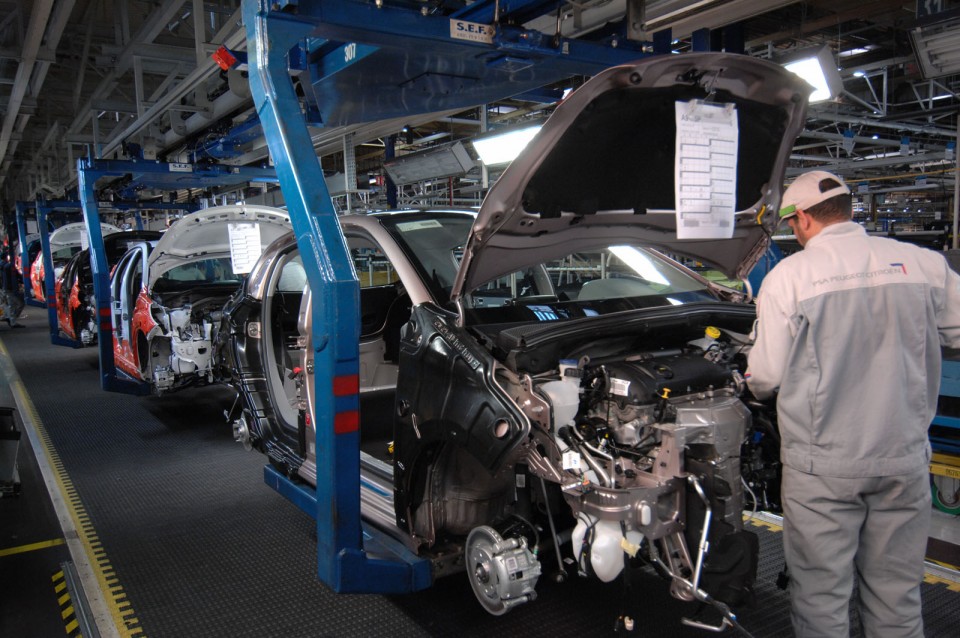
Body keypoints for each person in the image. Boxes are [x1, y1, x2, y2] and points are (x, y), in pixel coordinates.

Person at [745, 169, 960, 637]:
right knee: (897, 593)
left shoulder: (791, 276)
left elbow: (764, 377)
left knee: (822, 597)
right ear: (847, 209)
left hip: (824, 466)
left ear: (800, 218)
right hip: (903, 456)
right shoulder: (920, 263)